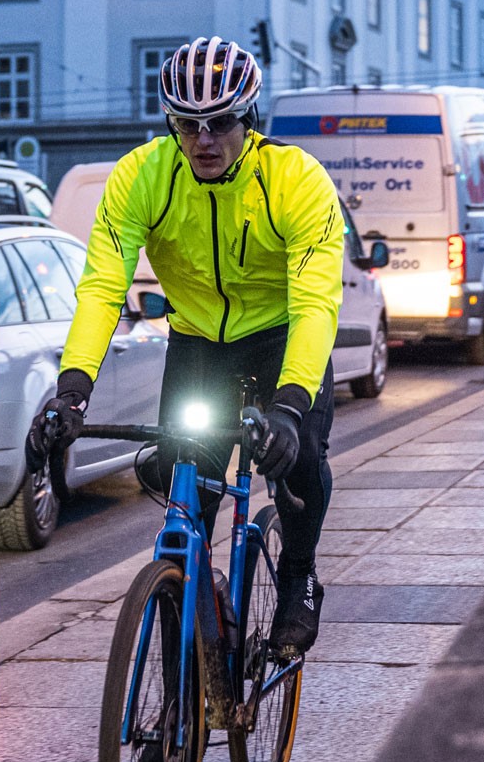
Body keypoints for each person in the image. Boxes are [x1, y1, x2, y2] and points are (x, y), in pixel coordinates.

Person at [29, 36, 344, 662]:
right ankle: (184, 664)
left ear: (248, 118)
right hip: (199, 345)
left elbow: (315, 303)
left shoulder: (295, 179)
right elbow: (102, 289)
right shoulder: (141, 176)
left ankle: (298, 573)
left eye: (220, 122)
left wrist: (289, 406)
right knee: (185, 507)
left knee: (301, 455)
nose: (203, 139)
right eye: (186, 123)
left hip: (281, 340)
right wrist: (72, 391)